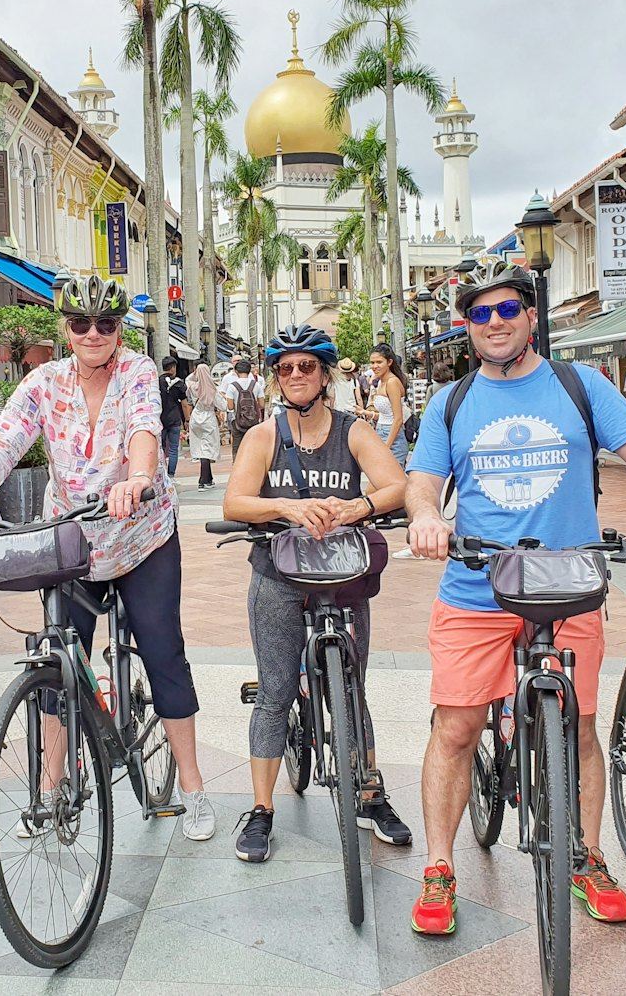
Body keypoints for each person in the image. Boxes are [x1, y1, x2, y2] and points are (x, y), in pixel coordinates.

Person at [405, 263, 626, 936]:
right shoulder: (451, 401)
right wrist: (427, 518)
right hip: (477, 588)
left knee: (580, 729)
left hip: (569, 587)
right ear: (466, 328)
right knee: (458, 727)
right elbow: (421, 482)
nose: (495, 323)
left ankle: (586, 858)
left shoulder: (579, 385)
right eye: (480, 315)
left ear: (531, 317)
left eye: (508, 311)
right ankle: (439, 865)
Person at [0, 275, 216, 842]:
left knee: (163, 654)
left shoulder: (137, 372)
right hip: (75, 544)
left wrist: (139, 478)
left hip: (142, 538)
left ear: (119, 330)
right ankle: (49, 791)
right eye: (81, 324)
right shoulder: (43, 382)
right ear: (66, 329)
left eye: (105, 324)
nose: (93, 334)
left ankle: (191, 784)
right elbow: (3, 446)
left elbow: (144, 426)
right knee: (56, 663)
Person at [223, 323, 412, 861]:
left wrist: (361, 507)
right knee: (276, 692)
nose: (297, 375)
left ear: (325, 374)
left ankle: (370, 793)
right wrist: (286, 507)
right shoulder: (264, 435)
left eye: (307, 366)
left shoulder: (352, 431)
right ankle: (261, 809)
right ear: (277, 379)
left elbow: (395, 484)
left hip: (342, 578)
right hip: (277, 577)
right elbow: (235, 502)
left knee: (352, 686)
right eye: (286, 368)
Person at [367, 343, 408, 465]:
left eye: (379, 362)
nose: (375, 366)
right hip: (381, 432)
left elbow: (398, 419)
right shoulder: (381, 381)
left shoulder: (392, 382)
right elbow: (386, 415)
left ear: (389, 362)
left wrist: (386, 447)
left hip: (392, 438)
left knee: (391, 480)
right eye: (372, 362)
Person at [186, 362, 222, 489]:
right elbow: (222, 405)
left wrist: (196, 373)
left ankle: (208, 478)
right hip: (208, 418)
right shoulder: (212, 389)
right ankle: (203, 480)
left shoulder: (193, 386)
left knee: (201, 448)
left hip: (196, 417)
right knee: (208, 449)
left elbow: (187, 379)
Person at [220, 358, 264, 458]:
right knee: (253, 446)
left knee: (237, 447)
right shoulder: (256, 385)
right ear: (249, 371)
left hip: (237, 421)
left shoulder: (232, 386)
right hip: (254, 422)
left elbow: (230, 407)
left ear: (236, 371)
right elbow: (262, 405)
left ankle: (237, 467)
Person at [158, 358, 189, 478]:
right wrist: (186, 419)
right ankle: (171, 474)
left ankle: (162, 473)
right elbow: (184, 404)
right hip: (174, 419)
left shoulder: (157, 381)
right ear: (173, 367)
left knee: (161, 448)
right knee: (173, 448)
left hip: (160, 418)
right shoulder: (179, 384)